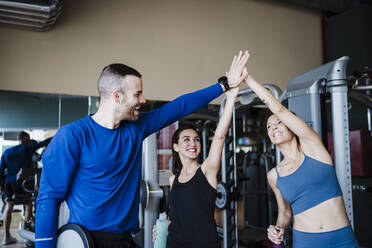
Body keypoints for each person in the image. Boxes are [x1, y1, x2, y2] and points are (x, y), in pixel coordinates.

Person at [35, 51, 250, 248]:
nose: (143, 100)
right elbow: (48, 198)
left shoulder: (136, 128)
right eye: (137, 94)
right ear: (117, 96)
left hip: (125, 239)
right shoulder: (72, 136)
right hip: (88, 239)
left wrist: (223, 86)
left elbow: (178, 106)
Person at [243, 72, 359, 247]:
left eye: (279, 122)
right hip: (305, 241)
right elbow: (285, 213)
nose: (273, 126)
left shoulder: (314, 149)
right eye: (269, 126)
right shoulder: (274, 175)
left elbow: (279, 109)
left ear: (292, 124)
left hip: (341, 239)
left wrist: (248, 80)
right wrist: (277, 229)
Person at [159, 55, 246, 248]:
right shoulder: (173, 180)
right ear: (175, 146)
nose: (193, 143)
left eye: (196, 139)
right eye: (186, 140)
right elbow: (177, 215)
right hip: (174, 243)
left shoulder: (207, 171)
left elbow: (220, 137)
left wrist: (231, 98)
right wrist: (164, 227)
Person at [0, 131, 51, 245]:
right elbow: (43, 143)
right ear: (25, 138)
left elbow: (1, 169)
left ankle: (6, 237)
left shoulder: (7, 151)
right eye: (28, 137)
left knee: (9, 206)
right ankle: (28, 237)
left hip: (8, 183)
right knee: (28, 204)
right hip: (21, 181)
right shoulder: (27, 148)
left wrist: (1, 185)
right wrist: (56, 137)